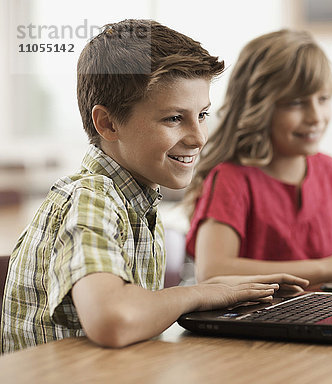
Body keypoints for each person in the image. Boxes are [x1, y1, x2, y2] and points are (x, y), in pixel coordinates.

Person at [0, 20, 308, 354]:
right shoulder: (90, 199)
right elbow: (113, 320)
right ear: (107, 123)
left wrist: (210, 288)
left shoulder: (137, 203)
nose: (198, 137)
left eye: (202, 114)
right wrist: (198, 294)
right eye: (174, 118)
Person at [184, 29, 332, 286]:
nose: (315, 117)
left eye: (323, 99)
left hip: (315, 318)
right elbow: (212, 271)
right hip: (255, 321)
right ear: (258, 107)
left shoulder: (330, 172)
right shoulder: (231, 179)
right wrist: (327, 267)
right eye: (296, 103)